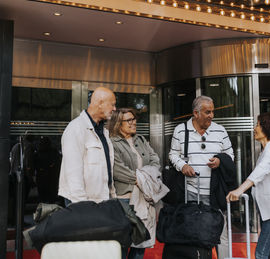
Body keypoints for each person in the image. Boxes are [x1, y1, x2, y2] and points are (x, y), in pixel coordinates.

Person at [169, 95, 234, 259]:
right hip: (190, 191)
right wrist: (182, 166)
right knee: (193, 232)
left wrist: (220, 161)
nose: (211, 115)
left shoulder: (220, 130)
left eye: (212, 112)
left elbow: (230, 154)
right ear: (196, 113)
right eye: (207, 112)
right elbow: (173, 154)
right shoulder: (180, 130)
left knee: (222, 233)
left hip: (215, 192)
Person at [226, 112, 270, 259]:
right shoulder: (264, 151)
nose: (254, 128)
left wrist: (239, 190)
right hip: (269, 212)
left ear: (267, 128)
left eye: (258, 125)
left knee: (260, 253)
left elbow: (259, 173)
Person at [108, 108, 165, 259]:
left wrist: (144, 179)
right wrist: (143, 179)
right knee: (122, 244)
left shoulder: (140, 139)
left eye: (134, 119)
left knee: (140, 241)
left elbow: (155, 160)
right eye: (129, 120)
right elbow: (117, 169)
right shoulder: (112, 142)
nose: (133, 123)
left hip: (144, 197)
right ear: (118, 124)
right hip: (124, 200)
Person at [58, 87, 117, 205]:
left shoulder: (103, 131)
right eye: (112, 105)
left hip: (102, 201)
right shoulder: (76, 128)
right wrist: (82, 206)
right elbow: (73, 173)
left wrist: (112, 196)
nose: (114, 109)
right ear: (100, 103)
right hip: (82, 203)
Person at [35, 136, 61, 203]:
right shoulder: (54, 152)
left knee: (43, 196)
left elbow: (36, 165)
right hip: (52, 176)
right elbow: (57, 163)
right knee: (51, 196)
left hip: (41, 176)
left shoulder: (38, 153)